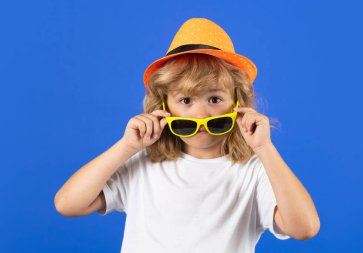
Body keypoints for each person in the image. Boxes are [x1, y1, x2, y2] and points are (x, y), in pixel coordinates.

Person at [54, 17, 320, 253]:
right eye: (185, 100)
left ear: (238, 103)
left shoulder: (253, 172)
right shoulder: (142, 163)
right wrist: (125, 147)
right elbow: (67, 204)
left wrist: (265, 150)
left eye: (214, 98)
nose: (201, 114)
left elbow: (304, 228)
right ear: (164, 106)